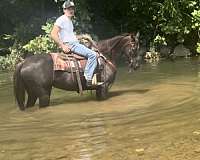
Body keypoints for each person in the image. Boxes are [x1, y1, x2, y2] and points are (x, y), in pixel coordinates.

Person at [51, 0, 103, 87]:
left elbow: (69, 36)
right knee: (93, 55)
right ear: (64, 10)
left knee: (92, 50)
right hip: (71, 45)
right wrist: (62, 45)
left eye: (72, 9)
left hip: (74, 43)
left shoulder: (69, 21)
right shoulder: (62, 19)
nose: (71, 10)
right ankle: (88, 78)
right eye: (68, 9)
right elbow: (53, 33)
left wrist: (83, 37)